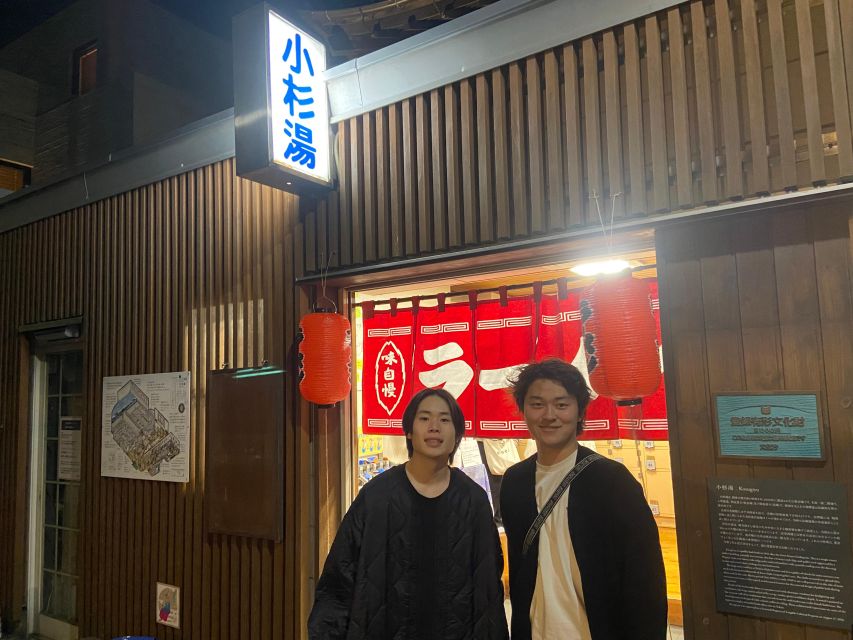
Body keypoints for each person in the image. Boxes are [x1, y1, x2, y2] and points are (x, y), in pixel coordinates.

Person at [308, 387, 509, 639]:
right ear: (409, 432)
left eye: (445, 419)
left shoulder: (473, 500)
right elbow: (340, 576)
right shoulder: (377, 496)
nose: (434, 426)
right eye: (424, 418)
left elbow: (488, 589)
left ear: (457, 434)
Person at [500, 359, 667, 640]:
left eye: (562, 404)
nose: (549, 415)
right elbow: (519, 570)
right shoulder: (515, 481)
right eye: (537, 404)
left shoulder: (612, 480)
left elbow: (645, 580)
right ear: (523, 410)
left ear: (579, 412)